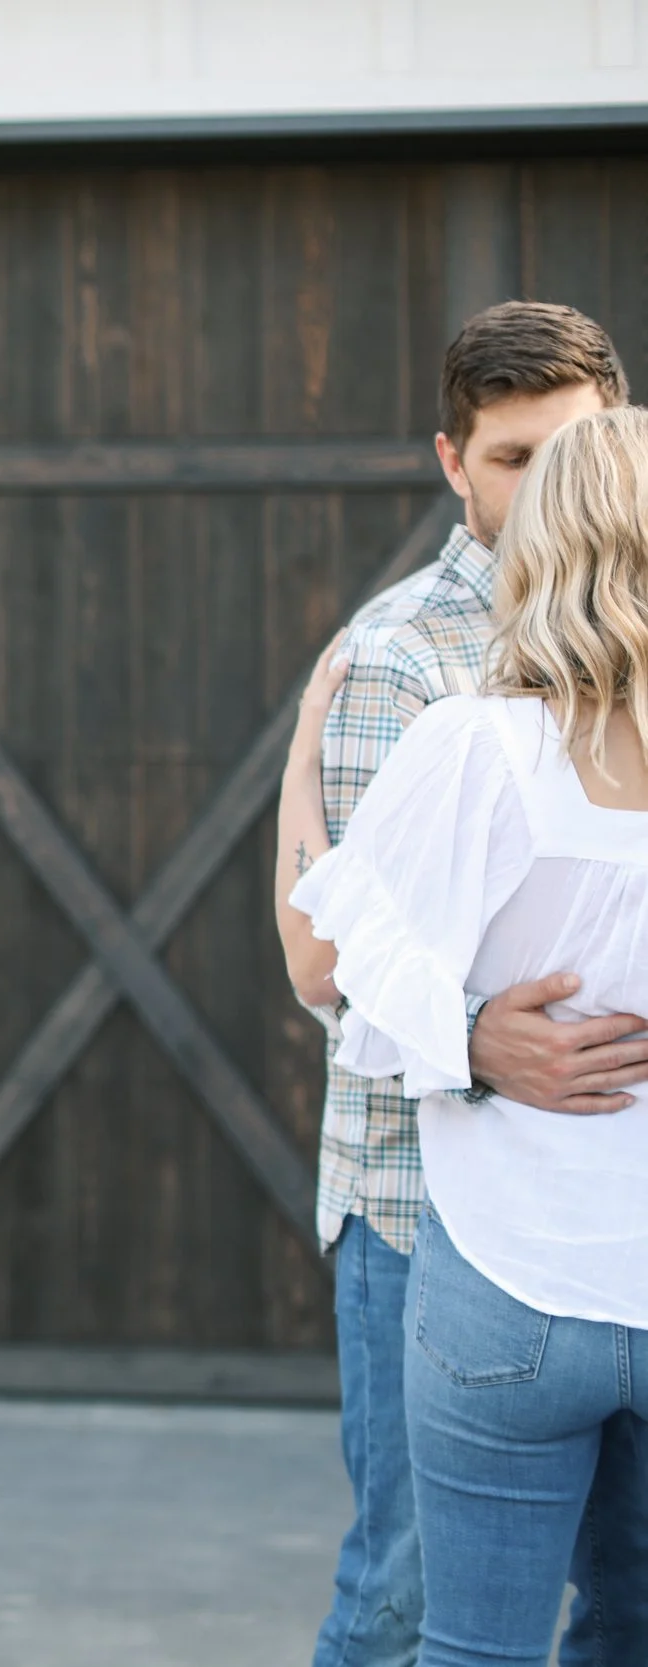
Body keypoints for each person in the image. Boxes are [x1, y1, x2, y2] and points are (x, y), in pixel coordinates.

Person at [271, 301, 645, 1667]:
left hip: (612, 1237)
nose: (550, 488)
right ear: (453, 462)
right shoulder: (407, 655)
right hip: (430, 1210)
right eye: (513, 458)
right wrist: (483, 1039)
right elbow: (332, 963)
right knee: (406, 1600)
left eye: (577, 450)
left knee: (621, 1603)